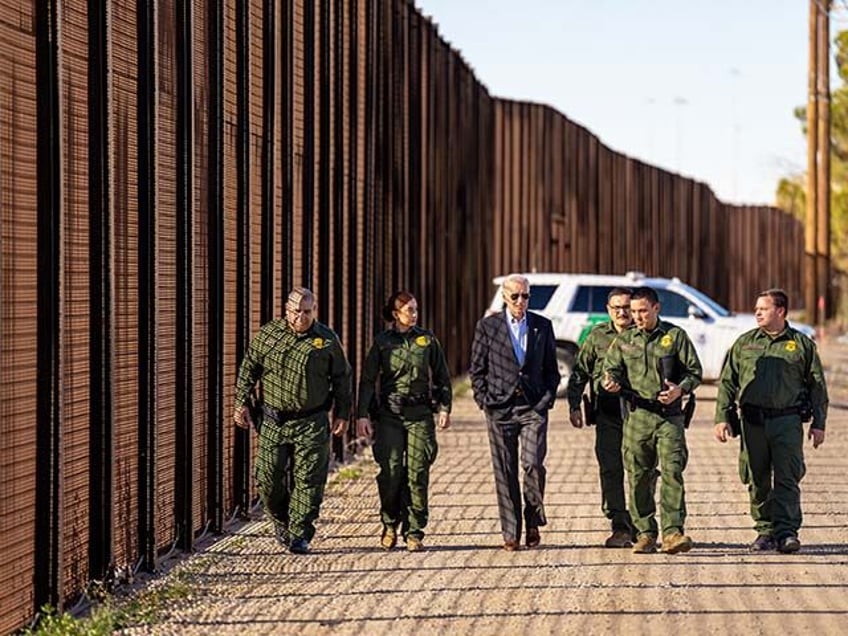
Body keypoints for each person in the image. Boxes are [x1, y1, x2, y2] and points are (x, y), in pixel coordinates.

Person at [233, 287, 352, 555]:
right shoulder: (268, 336)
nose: (302, 316)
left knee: (309, 479)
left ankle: (300, 533)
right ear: (286, 310)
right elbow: (248, 368)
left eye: (307, 311)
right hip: (274, 421)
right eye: (297, 311)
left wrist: (343, 414)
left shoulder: (326, 340)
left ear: (314, 311)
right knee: (268, 478)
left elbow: (342, 378)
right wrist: (240, 402)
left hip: (312, 420)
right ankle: (282, 521)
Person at [713, 288, 828, 554]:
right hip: (752, 422)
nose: (757, 312)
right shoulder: (744, 343)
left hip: (787, 422)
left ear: (780, 311)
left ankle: (787, 533)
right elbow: (727, 383)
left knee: (787, 478)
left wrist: (819, 424)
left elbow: (817, 387)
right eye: (756, 308)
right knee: (757, 477)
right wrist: (722, 417)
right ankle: (765, 532)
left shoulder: (801, 344)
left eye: (763, 309)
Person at [602, 286, 702, 555]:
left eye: (643, 311)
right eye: (634, 312)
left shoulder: (675, 336)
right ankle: (645, 533)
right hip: (638, 417)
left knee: (672, 472)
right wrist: (610, 382)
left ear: (657, 308)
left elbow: (695, 372)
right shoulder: (624, 341)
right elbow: (610, 369)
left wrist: (680, 390)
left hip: (669, 418)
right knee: (638, 476)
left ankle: (673, 533)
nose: (637, 317)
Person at [469, 274, 560, 551]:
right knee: (505, 471)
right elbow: (477, 369)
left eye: (526, 296)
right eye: (515, 296)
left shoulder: (542, 326)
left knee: (532, 463)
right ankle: (511, 531)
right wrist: (484, 400)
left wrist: (545, 399)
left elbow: (552, 370)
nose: (521, 301)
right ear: (504, 297)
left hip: (532, 407)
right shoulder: (488, 327)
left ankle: (532, 520)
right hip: (499, 408)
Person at [356, 291, 452, 552]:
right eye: (409, 310)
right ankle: (389, 524)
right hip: (390, 416)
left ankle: (414, 531)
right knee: (391, 471)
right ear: (396, 314)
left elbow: (442, 376)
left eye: (416, 309)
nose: (414, 314)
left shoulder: (427, 340)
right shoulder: (383, 343)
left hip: (420, 415)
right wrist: (362, 414)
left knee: (418, 472)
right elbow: (367, 381)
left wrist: (445, 408)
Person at [566, 287, 635, 548]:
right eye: (616, 307)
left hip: (640, 415)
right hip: (607, 414)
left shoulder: (643, 335)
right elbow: (580, 372)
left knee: (642, 470)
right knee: (610, 469)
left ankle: (642, 525)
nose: (622, 312)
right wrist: (574, 405)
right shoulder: (597, 337)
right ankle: (619, 525)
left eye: (626, 307)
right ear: (608, 310)